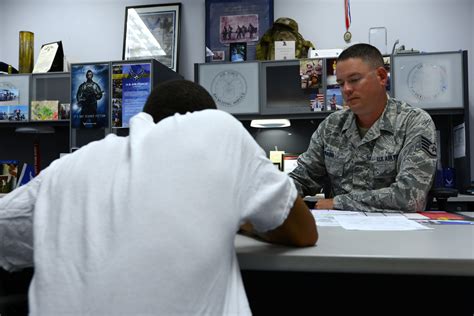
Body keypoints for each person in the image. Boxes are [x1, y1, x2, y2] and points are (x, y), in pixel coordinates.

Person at [0, 79, 317, 315]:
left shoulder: (66, 169)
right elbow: (303, 231)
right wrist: (242, 221)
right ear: (201, 118)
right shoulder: (217, 131)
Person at [289, 43, 437, 212]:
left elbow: (410, 196)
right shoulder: (331, 126)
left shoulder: (414, 122)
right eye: (340, 83)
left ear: (381, 76)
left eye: (354, 80)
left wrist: (338, 203)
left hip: (395, 232)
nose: (346, 89)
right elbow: (303, 177)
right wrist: (272, 194)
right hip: (338, 229)